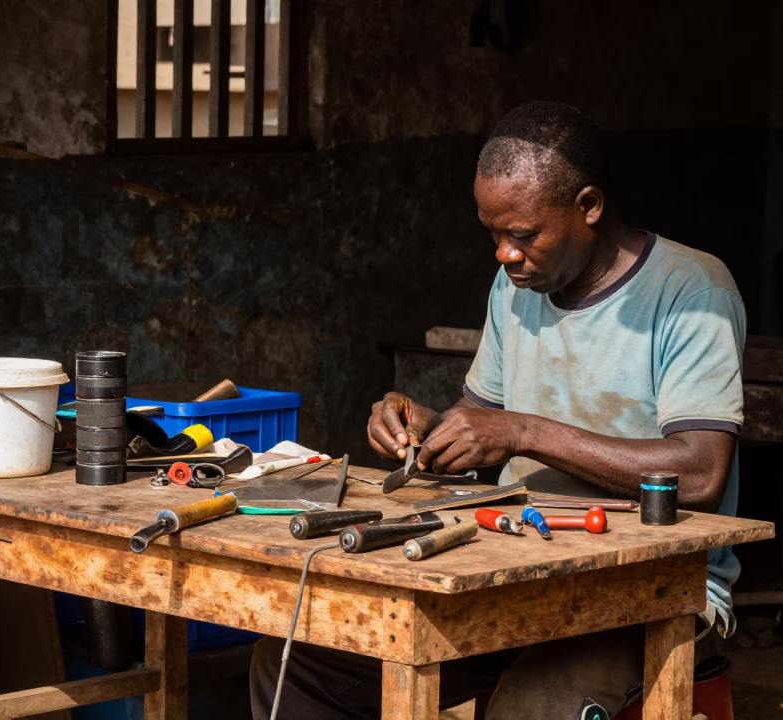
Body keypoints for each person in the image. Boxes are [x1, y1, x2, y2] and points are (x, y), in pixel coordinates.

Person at [250, 101, 746, 719]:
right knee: (296, 662)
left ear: (588, 206)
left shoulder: (692, 290)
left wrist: (522, 432)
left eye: (524, 235)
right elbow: (482, 415)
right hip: (519, 562)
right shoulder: (516, 290)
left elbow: (699, 474)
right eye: (493, 234)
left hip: (648, 587)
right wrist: (426, 428)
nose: (504, 255)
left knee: (528, 708)